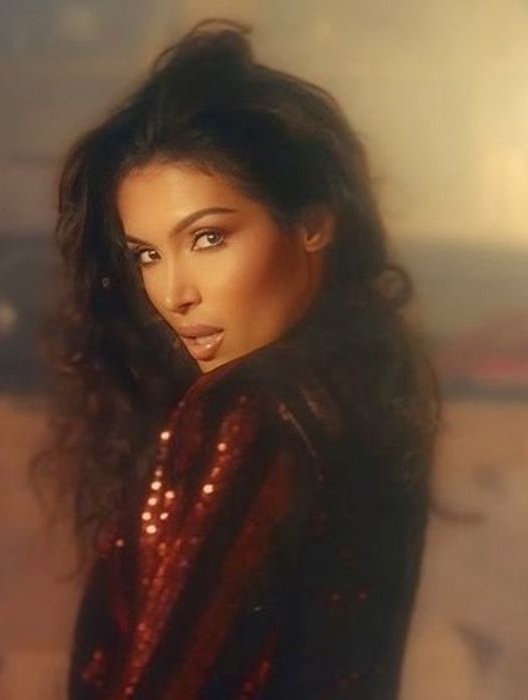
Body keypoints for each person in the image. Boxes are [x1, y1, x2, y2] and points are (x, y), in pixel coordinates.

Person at [32, 20, 441, 699]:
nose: (174, 294)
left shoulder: (250, 412)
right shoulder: (371, 378)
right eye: (147, 255)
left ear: (312, 223)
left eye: (208, 238)